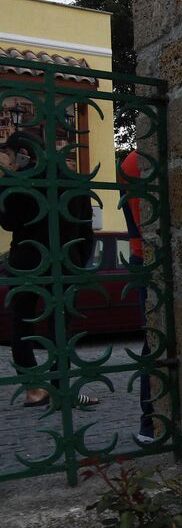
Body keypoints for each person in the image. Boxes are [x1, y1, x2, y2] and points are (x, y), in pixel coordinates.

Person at [0, 130, 98, 408]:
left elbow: (7, 223)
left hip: (26, 261)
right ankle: (63, 389)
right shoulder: (72, 178)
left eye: (8, 155)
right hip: (66, 262)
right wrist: (79, 263)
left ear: (23, 154)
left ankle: (34, 389)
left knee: (23, 323)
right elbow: (86, 229)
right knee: (60, 328)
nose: (7, 161)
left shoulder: (17, 180)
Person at [119, 149, 157, 441]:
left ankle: (150, 424)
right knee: (157, 342)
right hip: (151, 257)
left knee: (153, 341)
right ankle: (151, 423)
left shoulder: (128, 162)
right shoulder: (143, 159)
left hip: (139, 255)